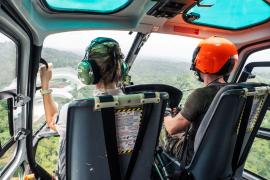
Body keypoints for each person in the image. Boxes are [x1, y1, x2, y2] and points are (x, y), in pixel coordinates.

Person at [40, 37, 128, 179]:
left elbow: (51, 121)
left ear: (89, 70)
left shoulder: (75, 110)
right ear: (122, 68)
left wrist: (45, 82)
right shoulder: (142, 106)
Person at [159, 36, 238, 165]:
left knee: (162, 128)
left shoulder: (201, 94)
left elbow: (172, 128)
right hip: (219, 156)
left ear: (202, 61)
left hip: (192, 156)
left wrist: (165, 113)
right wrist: (181, 113)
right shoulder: (234, 93)